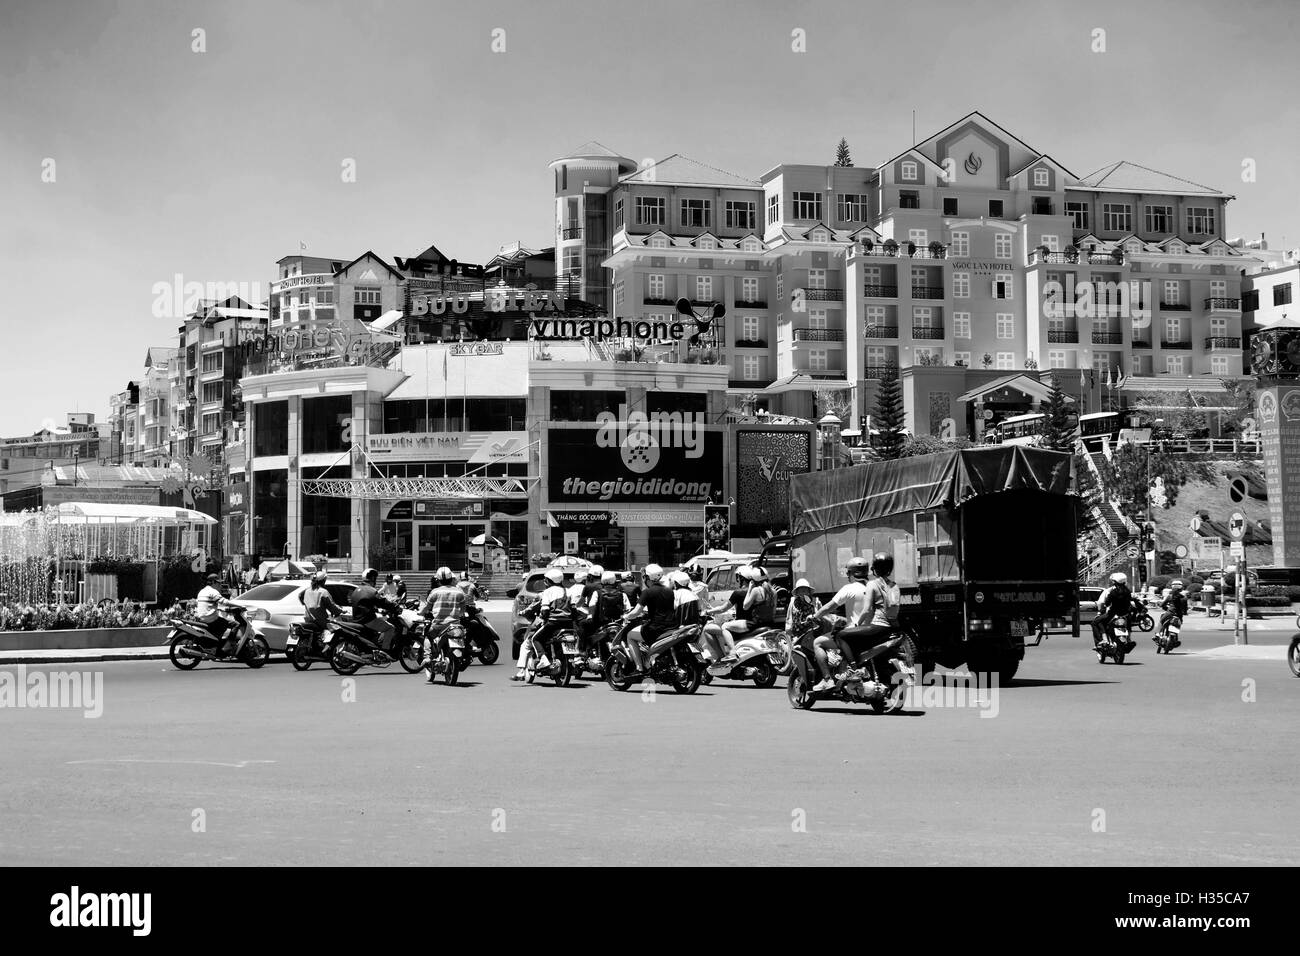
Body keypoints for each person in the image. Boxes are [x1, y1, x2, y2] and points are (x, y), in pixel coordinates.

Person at [810, 557, 874, 690]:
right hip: (872, 632)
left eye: (848, 573)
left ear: (850, 573)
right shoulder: (873, 587)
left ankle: (827, 679)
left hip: (853, 634)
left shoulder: (849, 588)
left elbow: (829, 607)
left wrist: (815, 616)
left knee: (818, 642)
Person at [514, 568, 571, 680]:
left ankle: (543, 660)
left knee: (535, 639)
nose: (544, 583)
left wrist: (544, 619)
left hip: (553, 623)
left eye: (545, 580)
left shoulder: (546, 593)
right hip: (568, 623)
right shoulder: (567, 591)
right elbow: (574, 608)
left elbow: (544, 610)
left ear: (549, 581)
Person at [420, 566, 471, 683]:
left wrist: (420, 613)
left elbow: (427, 607)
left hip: (439, 624)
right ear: (451, 578)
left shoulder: (435, 592)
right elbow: (463, 610)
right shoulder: (459, 592)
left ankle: (427, 657)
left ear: (438, 580)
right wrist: (459, 614)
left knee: (428, 636)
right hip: (455, 625)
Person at [624, 564, 674, 674]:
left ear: (648, 578)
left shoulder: (647, 592)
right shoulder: (669, 591)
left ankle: (639, 668)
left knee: (630, 636)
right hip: (671, 627)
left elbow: (636, 611)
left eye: (644, 577)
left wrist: (626, 616)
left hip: (655, 629)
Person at [352, 567, 402, 652]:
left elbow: (365, 603)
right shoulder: (371, 590)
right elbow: (382, 602)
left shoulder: (357, 589)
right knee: (390, 628)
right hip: (367, 620)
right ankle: (385, 651)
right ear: (372, 578)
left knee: (381, 620)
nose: (375, 580)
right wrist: (395, 607)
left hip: (357, 618)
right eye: (374, 578)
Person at [1092, 571, 1134, 650]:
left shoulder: (1112, 592)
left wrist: (1106, 605)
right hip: (1125, 614)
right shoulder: (1128, 591)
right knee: (1128, 622)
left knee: (1096, 622)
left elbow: (1107, 603)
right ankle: (1129, 639)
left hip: (1113, 614)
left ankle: (1104, 640)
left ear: (1115, 582)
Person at [194, 573, 231, 653]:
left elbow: (208, 604)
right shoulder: (213, 591)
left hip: (201, 618)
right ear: (213, 582)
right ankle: (220, 647)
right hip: (210, 619)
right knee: (232, 624)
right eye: (219, 583)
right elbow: (223, 601)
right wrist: (238, 605)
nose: (220, 585)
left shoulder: (202, 591)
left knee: (220, 622)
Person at [1158, 579, 1188, 648]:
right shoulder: (1184, 598)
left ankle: (1157, 635)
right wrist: (1184, 612)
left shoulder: (1170, 596)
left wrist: (1165, 608)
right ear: (1181, 588)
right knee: (1177, 626)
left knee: (1161, 621)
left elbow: (1163, 605)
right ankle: (1175, 639)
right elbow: (1185, 609)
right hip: (1179, 615)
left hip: (1169, 613)